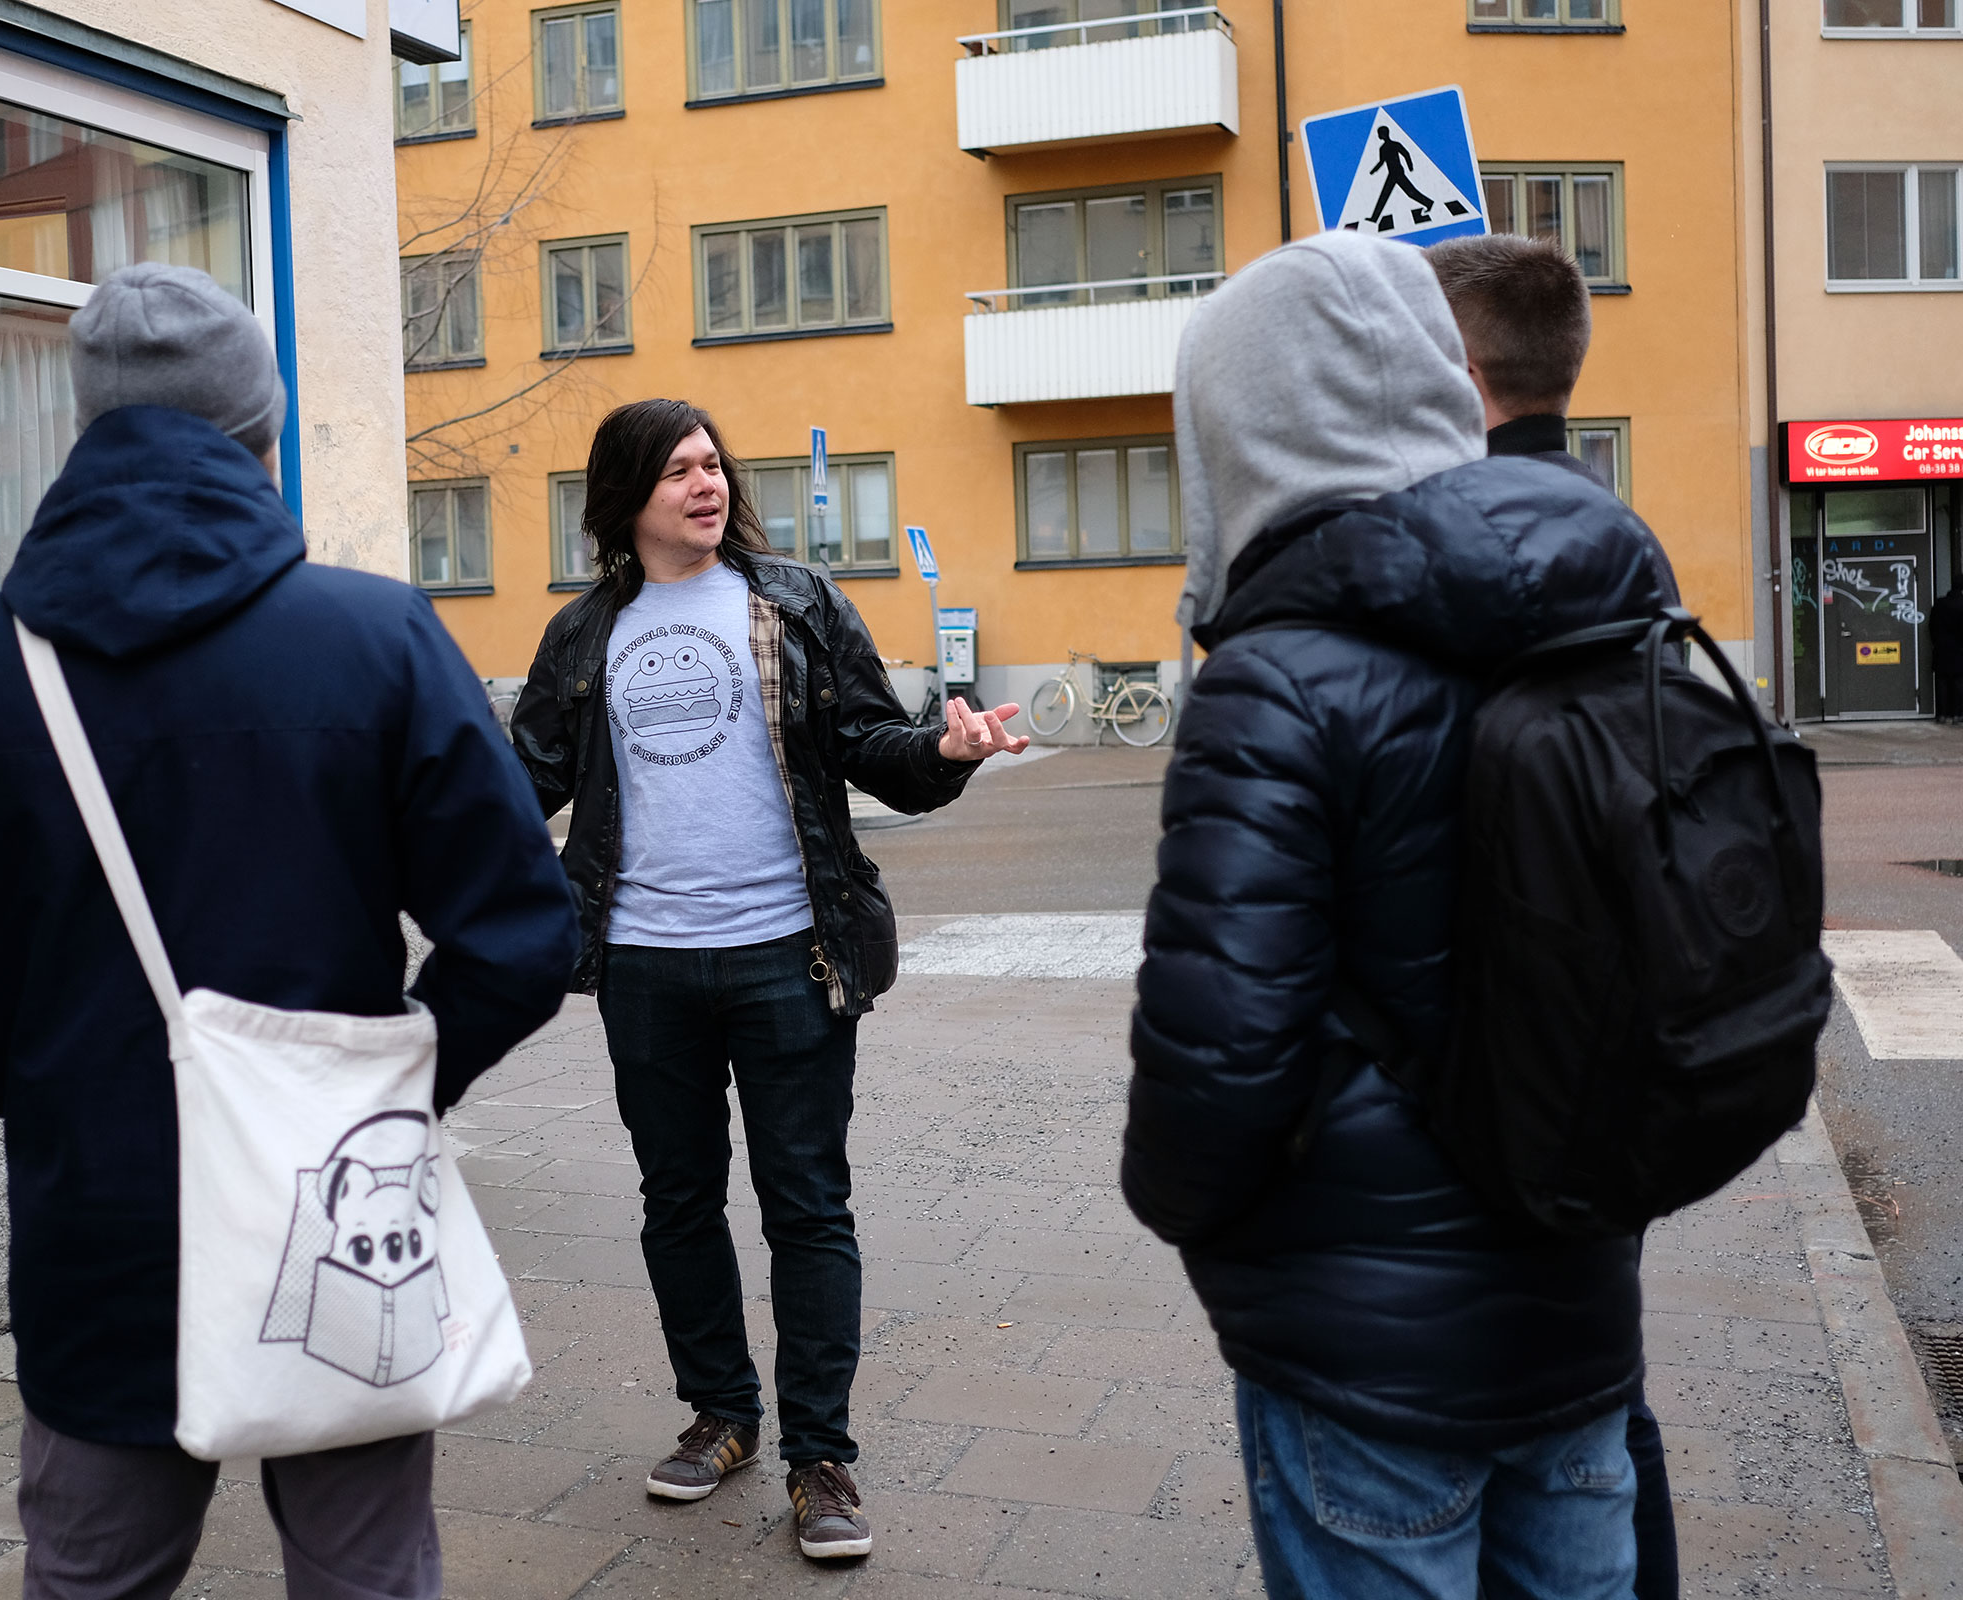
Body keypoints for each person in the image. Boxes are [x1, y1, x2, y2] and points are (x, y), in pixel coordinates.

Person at [0, 262, 580, 1600]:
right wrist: (391, 1086)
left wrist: (68, 1092)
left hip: (95, 1236)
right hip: (340, 1218)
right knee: (366, 1580)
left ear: (88, 431)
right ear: (263, 430)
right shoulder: (376, 638)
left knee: (88, 1578)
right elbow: (525, 931)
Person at [1124, 230, 1660, 1599]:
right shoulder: (1602, 607)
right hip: (1577, 1310)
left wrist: (1199, 1221)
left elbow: (1218, 1052)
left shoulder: (1279, 674)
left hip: (1361, 1345)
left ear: (1237, 428)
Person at [508, 398, 1027, 1562]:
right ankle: (722, 1416)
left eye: (713, 466)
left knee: (807, 1202)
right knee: (678, 1197)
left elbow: (873, 751)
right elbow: (522, 779)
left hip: (791, 951)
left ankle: (822, 1460)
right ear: (627, 495)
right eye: (680, 470)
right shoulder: (587, 632)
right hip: (643, 960)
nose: (708, 485)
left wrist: (945, 752)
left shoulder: (791, 601)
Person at [1429, 230, 1682, 1600]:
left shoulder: (1461, 543)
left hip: (1503, 1042)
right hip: (1624, 1036)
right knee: (1601, 1379)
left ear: (1462, 372)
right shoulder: (1623, 537)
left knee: (1516, 1400)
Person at [1931, 582, 1963, 723]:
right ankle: (1957, 714)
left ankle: (1942, 714)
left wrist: (1937, 641)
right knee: (1959, 683)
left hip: (1941, 649)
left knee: (1941, 682)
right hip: (1959, 649)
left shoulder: (1939, 604)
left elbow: (1931, 626)